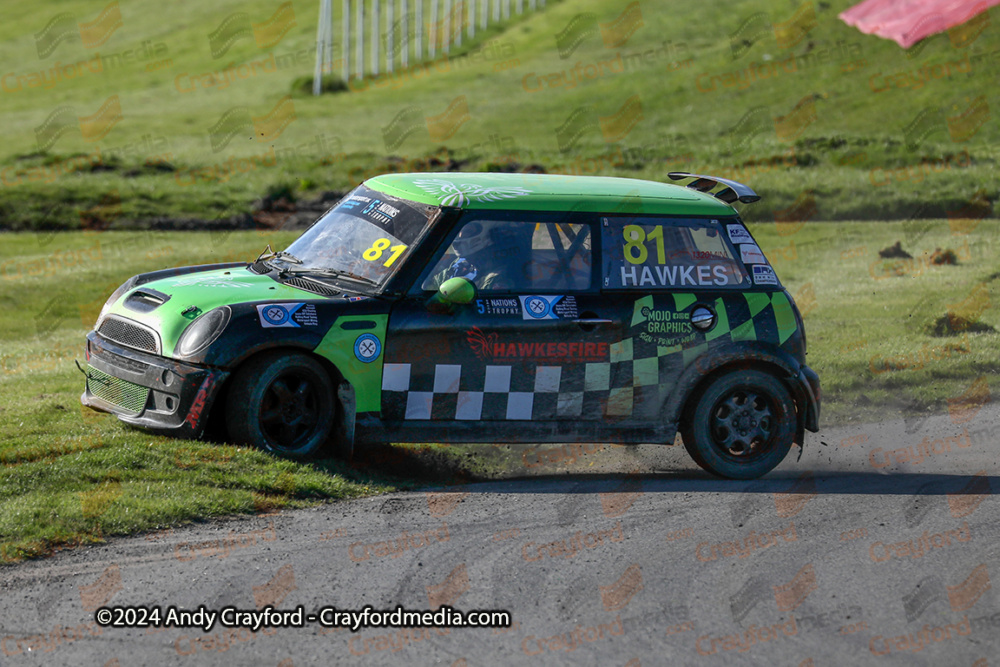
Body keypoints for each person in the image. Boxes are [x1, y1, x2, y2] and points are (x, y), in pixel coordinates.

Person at [428, 221, 529, 291]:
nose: (460, 236)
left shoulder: (497, 278)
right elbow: (432, 285)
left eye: (468, 231)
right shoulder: (462, 263)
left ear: (490, 232)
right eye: (459, 231)